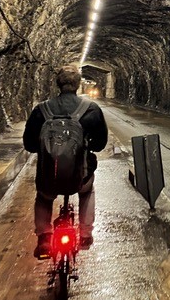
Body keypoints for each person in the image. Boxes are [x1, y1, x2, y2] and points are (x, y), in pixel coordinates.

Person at [23, 65, 108, 258]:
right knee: (87, 191)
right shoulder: (91, 109)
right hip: (80, 176)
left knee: (44, 197)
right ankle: (85, 233)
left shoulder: (41, 110)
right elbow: (101, 143)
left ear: (57, 84)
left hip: (48, 175)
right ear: (78, 85)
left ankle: (44, 236)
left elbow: (29, 144)